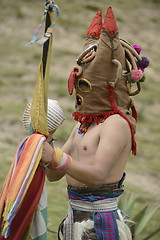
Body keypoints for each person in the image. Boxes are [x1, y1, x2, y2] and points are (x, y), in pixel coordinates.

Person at [41, 6, 149, 240]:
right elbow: (54, 175)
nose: (79, 88)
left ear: (109, 85)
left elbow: (98, 175)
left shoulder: (116, 124)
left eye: (86, 84)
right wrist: (45, 143)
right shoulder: (83, 125)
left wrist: (56, 157)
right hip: (73, 221)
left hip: (100, 226)